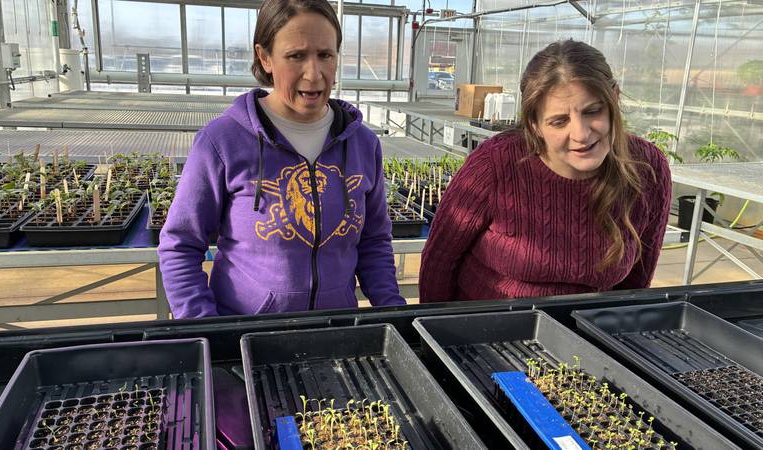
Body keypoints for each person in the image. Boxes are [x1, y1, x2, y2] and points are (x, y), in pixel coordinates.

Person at [159, 0, 405, 318]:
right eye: (296, 56)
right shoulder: (222, 142)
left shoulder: (362, 144)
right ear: (265, 57)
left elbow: (373, 242)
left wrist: (395, 313)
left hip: (336, 331)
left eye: (325, 55)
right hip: (245, 334)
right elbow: (181, 244)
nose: (314, 74)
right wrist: (205, 328)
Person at [419, 39, 672, 303]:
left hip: (584, 329)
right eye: (559, 121)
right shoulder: (496, 164)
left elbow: (636, 282)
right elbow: (440, 261)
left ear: (614, 99)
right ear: (534, 124)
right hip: (487, 328)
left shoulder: (647, 168)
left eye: (593, 111)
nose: (581, 134)